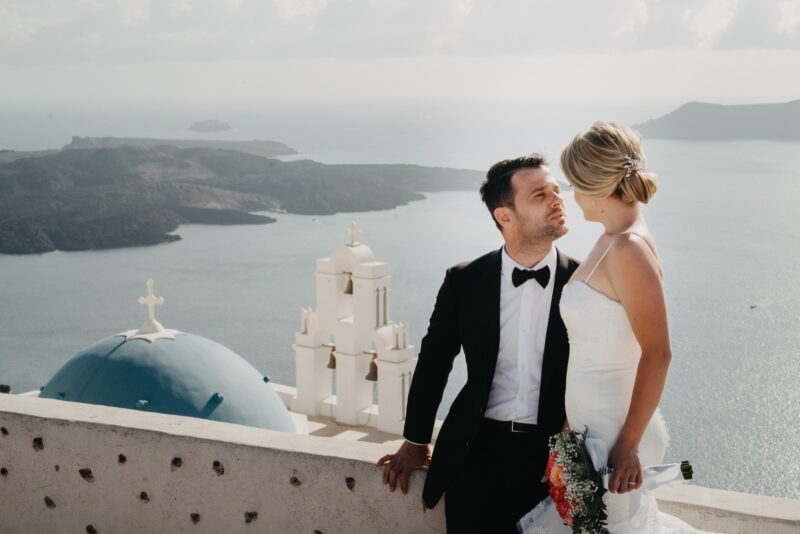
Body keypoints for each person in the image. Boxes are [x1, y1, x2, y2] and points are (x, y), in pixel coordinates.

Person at [520, 122, 712, 533]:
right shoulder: (610, 238)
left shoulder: (628, 249)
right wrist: (571, 428)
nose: (570, 195)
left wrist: (626, 445)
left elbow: (658, 353)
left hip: (616, 438)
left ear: (596, 186)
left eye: (573, 183)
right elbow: (596, 345)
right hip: (593, 429)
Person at [376, 154, 579, 533]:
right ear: (505, 216)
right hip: (475, 453)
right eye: (539, 195)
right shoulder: (465, 280)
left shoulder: (585, 283)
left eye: (557, 190)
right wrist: (415, 440)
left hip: (549, 462)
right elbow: (435, 361)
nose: (557, 200)